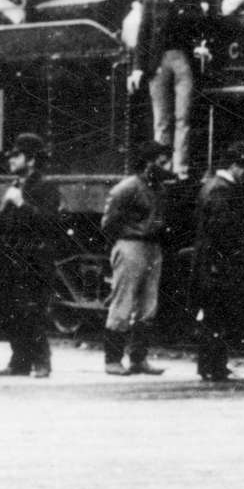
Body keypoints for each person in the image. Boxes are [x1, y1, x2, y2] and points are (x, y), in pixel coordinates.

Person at [123, 0, 209, 175]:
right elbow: (143, 37)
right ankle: (163, 168)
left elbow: (202, 27)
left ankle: (181, 168)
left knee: (183, 117)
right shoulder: (150, 2)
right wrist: (137, 69)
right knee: (162, 119)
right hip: (157, 63)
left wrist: (202, 45)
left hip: (183, 61)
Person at [0, 135, 64, 378]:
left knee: (33, 311)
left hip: (35, 258)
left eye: (16, 155)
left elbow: (50, 222)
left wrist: (21, 203)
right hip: (14, 257)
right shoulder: (16, 185)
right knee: (12, 309)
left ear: (31, 159)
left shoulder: (45, 186)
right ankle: (19, 361)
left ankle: (42, 362)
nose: (10, 159)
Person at [191, 143, 244, 385]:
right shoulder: (222, 190)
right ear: (234, 166)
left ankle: (211, 365)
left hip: (211, 262)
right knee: (216, 315)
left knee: (213, 316)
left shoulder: (212, 186)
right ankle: (213, 367)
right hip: (218, 264)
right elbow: (222, 229)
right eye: (242, 168)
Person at [99, 147, 172, 375]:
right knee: (123, 302)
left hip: (151, 247)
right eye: (162, 161)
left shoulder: (157, 188)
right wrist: (129, 236)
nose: (167, 166)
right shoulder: (128, 188)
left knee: (147, 306)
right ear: (149, 163)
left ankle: (138, 359)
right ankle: (112, 360)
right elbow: (109, 222)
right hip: (132, 245)